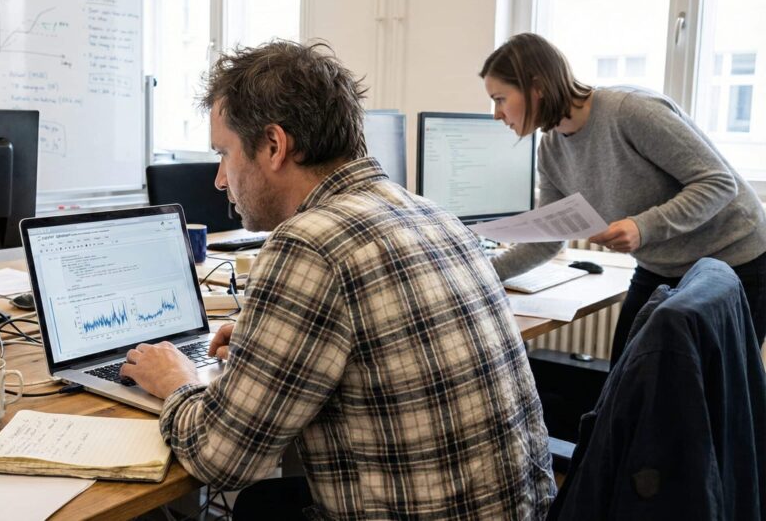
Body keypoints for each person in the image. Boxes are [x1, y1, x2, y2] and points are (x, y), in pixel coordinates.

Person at [121, 41, 555, 519]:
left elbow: (220, 459)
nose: (221, 179)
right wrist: (265, 343)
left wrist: (176, 380)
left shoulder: (308, 243)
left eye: (224, 153)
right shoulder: (433, 215)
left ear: (273, 145)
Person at [479, 33, 766, 365]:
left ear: (537, 87)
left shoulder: (630, 111)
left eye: (500, 98)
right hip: (662, 265)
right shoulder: (552, 149)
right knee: (624, 384)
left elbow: (717, 183)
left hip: (735, 259)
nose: (497, 114)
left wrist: (642, 228)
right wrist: (480, 271)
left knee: (718, 398)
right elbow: (547, 238)